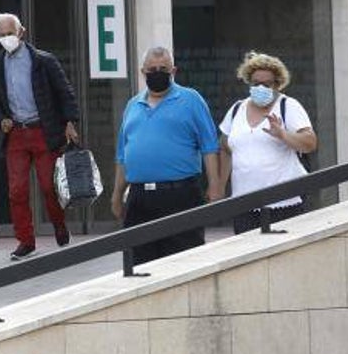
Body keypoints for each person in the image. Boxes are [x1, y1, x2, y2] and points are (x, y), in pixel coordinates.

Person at [111, 46, 222, 265]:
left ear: (174, 71)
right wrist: (117, 195)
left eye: (163, 68)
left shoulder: (191, 99)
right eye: (152, 69)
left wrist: (215, 185)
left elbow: (209, 146)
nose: (157, 73)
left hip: (180, 194)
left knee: (183, 262)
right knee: (138, 264)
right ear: (143, 72)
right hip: (139, 198)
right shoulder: (133, 105)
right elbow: (123, 155)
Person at [0, 12, 80, 260]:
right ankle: (26, 241)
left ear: (21, 32)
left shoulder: (43, 61)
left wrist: (70, 122)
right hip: (15, 133)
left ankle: (59, 224)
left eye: (10, 33)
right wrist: (0, 120)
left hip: (43, 130)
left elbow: (64, 91)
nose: (7, 38)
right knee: (17, 190)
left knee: (49, 186)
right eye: (2, 34)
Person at [219, 51, 317, 234]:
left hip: (283, 202)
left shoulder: (288, 106)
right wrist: (219, 186)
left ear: (278, 84)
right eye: (256, 83)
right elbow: (225, 146)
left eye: (267, 84)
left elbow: (310, 143)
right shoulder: (237, 109)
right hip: (244, 203)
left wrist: (283, 134)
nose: (261, 88)